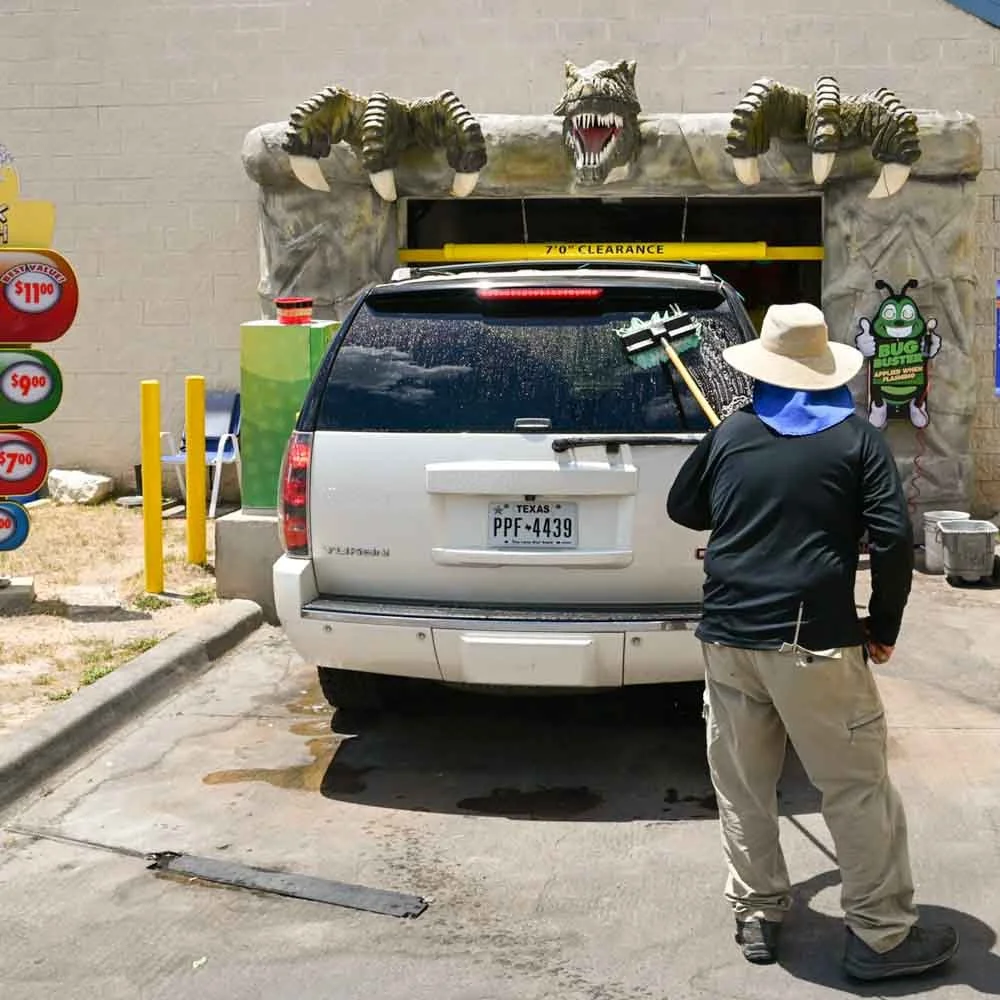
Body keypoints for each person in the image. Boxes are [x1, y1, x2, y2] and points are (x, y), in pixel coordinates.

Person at [666, 302, 958, 982]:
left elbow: (684, 508)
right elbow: (890, 541)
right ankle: (882, 936)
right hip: (813, 643)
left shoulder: (733, 432)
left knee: (743, 786)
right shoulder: (858, 442)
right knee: (855, 788)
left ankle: (757, 912)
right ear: (827, 370)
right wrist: (882, 629)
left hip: (729, 636)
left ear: (763, 370)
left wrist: (738, 477)